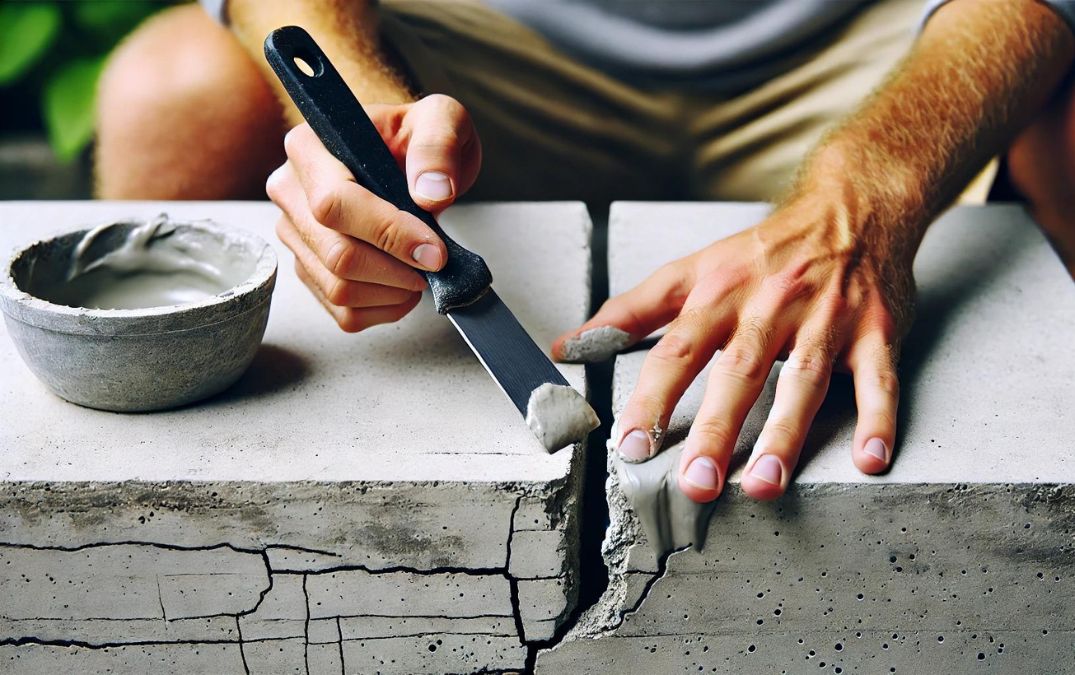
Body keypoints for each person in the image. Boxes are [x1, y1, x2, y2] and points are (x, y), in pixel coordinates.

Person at [96, 0, 1075, 504]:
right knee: (169, 89)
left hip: (872, 44)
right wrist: (363, 104)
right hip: (491, 46)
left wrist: (875, 185)